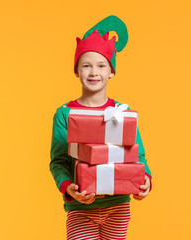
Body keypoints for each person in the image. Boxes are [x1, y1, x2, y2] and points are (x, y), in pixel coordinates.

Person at [50, 15, 152, 240]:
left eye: (101, 65)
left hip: (118, 206)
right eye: (86, 65)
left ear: (111, 71)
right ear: (76, 71)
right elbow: (58, 160)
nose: (94, 72)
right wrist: (68, 187)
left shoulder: (122, 112)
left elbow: (137, 154)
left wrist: (145, 178)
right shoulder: (66, 114)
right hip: (81, 208)